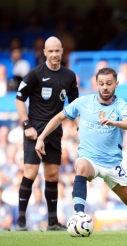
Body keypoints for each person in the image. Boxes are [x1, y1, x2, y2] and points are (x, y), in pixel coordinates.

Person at [35, 67, 127, 234]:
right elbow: (59, 117)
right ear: (96, 84)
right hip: (89, 159)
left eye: (109, 83)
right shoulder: (83, 102)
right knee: (81, 166)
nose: (105, 87)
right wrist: (41, 137)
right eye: (101, 83)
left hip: (112, 165)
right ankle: (79, 214)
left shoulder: (121, 105)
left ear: (116, 84)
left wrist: (113, 122)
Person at [14, 36, 79, 231]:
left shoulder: (69, 76)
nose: (54, 55)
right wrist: (27, 125)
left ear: (62, 51)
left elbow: (74, 105)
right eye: (50, 51)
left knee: (52, 176)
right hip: (34, 130)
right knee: (31, 173)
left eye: (57, 51)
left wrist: (79, 127)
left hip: (55, 130)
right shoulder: (35, 74)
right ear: (44, 53)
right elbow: (19, 99)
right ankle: (21, 221)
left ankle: (52, 222)